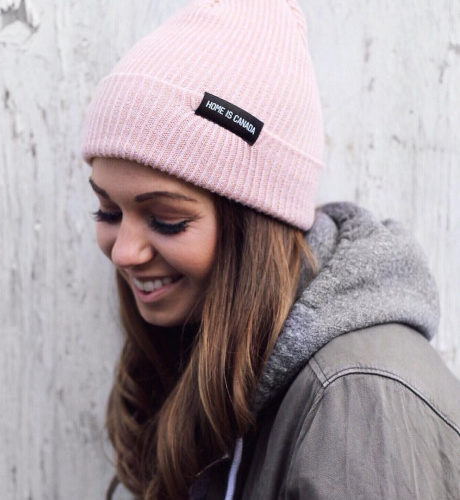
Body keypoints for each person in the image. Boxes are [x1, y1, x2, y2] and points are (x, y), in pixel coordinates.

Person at [80, 1, 460, 499]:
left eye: (167, 220)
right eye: (108, 212)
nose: (124, 252)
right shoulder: (208, 351)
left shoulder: (359, 402)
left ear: (253, 227)